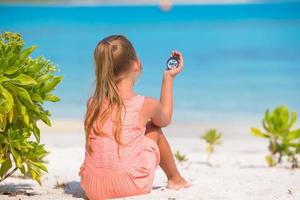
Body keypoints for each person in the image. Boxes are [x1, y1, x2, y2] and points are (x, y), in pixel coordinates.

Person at [79, 35, 190, 200]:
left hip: (92, 186)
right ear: (136, 64)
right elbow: (165, 119)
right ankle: (175, 179)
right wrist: (168, 77)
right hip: (129, 184)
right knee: (153, 130)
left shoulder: (92, 103)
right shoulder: (145, 104)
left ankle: (174, 179)